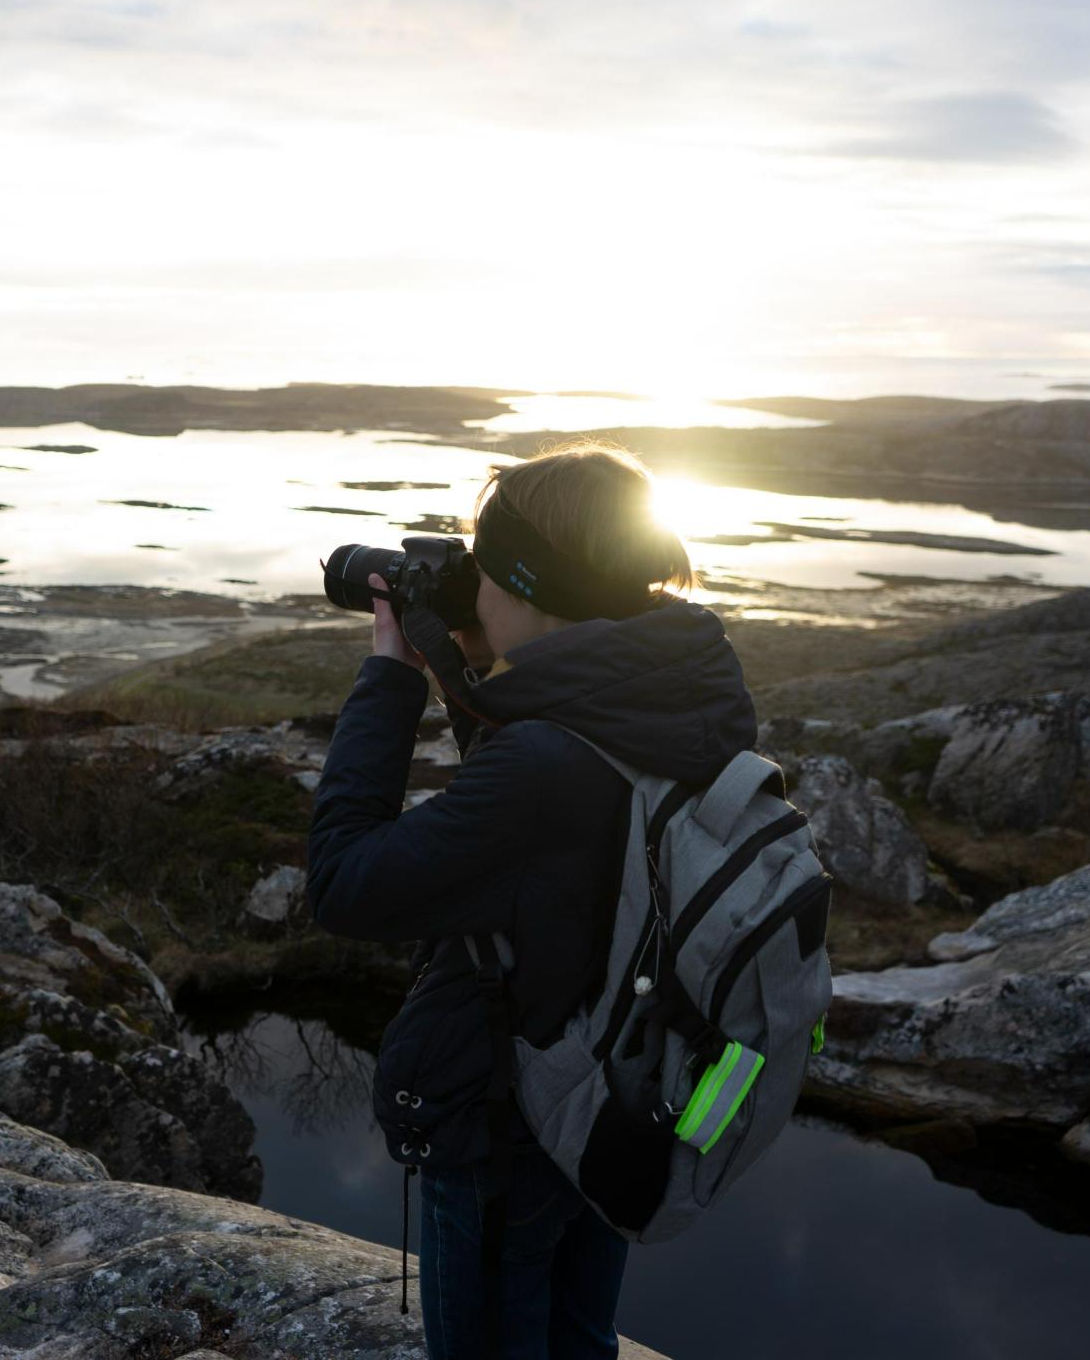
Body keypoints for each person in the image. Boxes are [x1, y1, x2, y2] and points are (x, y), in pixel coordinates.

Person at [307, 440, 759, 1359]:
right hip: (609, 1102)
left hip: (504, 1136)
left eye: (484, 565)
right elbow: (545, 846)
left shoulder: (545, 761)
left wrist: (393, 671)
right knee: (578, 1338)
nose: (469, 586)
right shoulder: (679, 697)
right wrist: (480, 680)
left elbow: (343, 883)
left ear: (524, 582)